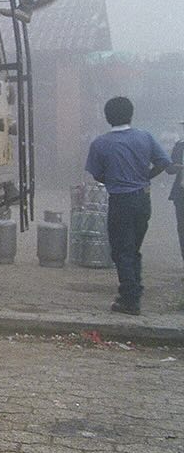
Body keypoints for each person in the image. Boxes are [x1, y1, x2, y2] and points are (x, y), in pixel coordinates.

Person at [84, 98, 172, 315]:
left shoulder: (100, 144)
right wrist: (145, 177)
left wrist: (114, 179)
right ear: (131, 114)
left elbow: (97, 174)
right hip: (143, 200)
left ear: (107, 117)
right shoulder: (145, 137)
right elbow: (163, 162)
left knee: (122, 251)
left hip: (120, 201)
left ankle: (130, 299)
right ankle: (134, 289)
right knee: (132, 248)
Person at [168, 121, 184, 268]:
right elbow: (170, 168)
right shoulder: (179, 146)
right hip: (181, 193)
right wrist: (175, 167)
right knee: (182, 228)